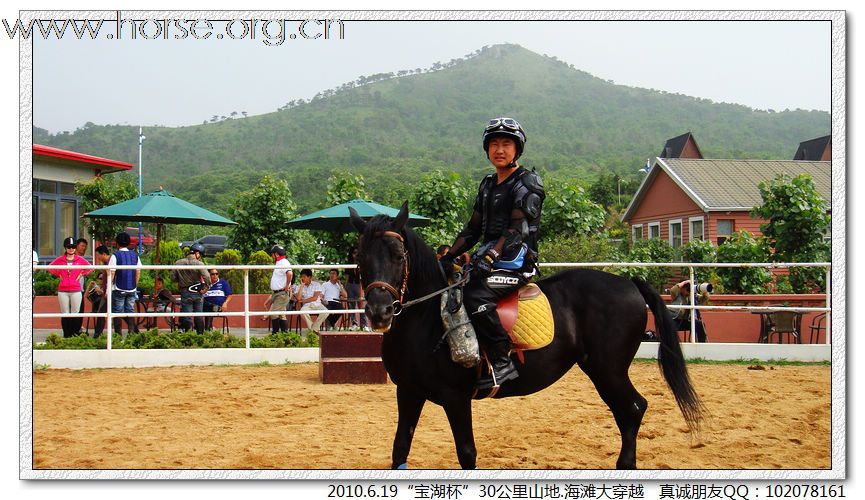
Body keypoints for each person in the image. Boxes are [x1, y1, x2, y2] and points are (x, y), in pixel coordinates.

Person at [438, 117, 545, 390]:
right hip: (488, 260)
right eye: (494, 144)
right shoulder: (487, 184)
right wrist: (449, 254)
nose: (499, 149)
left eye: (506, 144)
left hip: (518, 262)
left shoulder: (528, 181)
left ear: (517, 149)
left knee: (474, 294)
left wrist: (491, 257)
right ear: (487, 149)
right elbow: (473, 229)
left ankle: (501, 361)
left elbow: (517, 229)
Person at [49, 237, 91, 337]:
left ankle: (75, 334)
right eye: (69, 247)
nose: (71, 249)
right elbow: (50, 268)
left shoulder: (80, 260)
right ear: (65, 247)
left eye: (73, 247)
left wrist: (82, 274)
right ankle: (66, 334)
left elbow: (90, 268)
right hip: (63, 290)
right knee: (65, 314)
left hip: (76, 290)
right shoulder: (60, 260)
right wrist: (58, 274)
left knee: (75, 313)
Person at [108, 232, 141, 336]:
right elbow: (138, 271)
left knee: (117, 312)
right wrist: (135, 285)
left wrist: (108, 288)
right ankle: (131, 335)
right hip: (132, 288)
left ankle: (118, 336)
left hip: (119, 288)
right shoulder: (135, 255)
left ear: (117, 243)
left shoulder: (115, 256)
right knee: (130, 311)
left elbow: (111, 273)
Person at [171, 243, 209, 334]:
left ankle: (189, 336)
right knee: (199, 315)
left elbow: (172, 278)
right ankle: (200, 336)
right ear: (197, 253)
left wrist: (180, 280)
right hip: (198, 292)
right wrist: (206, 288)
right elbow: (207, 277)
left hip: (185, 291)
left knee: (187, 315)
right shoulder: (199, 263)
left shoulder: (178, 263)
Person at [262, 244, 293, 334]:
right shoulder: (279, 263)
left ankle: (275, 333)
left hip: (281, 293)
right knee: (281, 314)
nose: (271, 256)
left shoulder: (284, 262)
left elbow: (289, 273)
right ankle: (284, 334)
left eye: (272, 254)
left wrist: (287, 285)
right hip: (277, 293)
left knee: (274, 314)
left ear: (276, 254)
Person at [84, 245, 111, 337]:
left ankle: (97, 334)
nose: (98, 258)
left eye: (98, 255)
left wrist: (106, 291)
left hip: (110, 292)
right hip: (106, 292)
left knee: (118, 313)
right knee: (102, 313)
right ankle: (97, 334)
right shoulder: (106, 264)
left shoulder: (111, 262)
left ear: (103, 254)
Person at [296, 268, 329, 334]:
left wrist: (304, 300)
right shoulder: (300, 286)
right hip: (307, 305)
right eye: (301, 277)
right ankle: (313, 330)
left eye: (304, 277)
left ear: (310, 277)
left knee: (326, 312)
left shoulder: (317, 284)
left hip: (317, 304)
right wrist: (302, 286)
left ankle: (314, 328)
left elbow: (314, 298)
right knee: (302, 312)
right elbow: (298, 298)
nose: (302, 278)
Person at [345, 246, 367, 330]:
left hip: (360, 286)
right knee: (351, 306)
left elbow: (363, 278)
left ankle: (364, 325)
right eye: (354, 253)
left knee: (362, 305)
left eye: (357, 253)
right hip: (350, 285)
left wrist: (363, 289)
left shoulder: (362, 263)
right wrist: (345, 288)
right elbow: (346, 278)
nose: (355, 255)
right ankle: (354, 324)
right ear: (351, 254)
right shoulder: (348, 264)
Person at [71, 238, 89, 335]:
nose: (84, 248)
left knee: (80, 311)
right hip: (72, 290)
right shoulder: (72, 258)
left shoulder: (82, 260)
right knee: (73, 311)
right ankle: (71, 332)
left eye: (85, 247)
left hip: (80, 290)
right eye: (82, 246)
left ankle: (77, 330)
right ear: (76, 246)